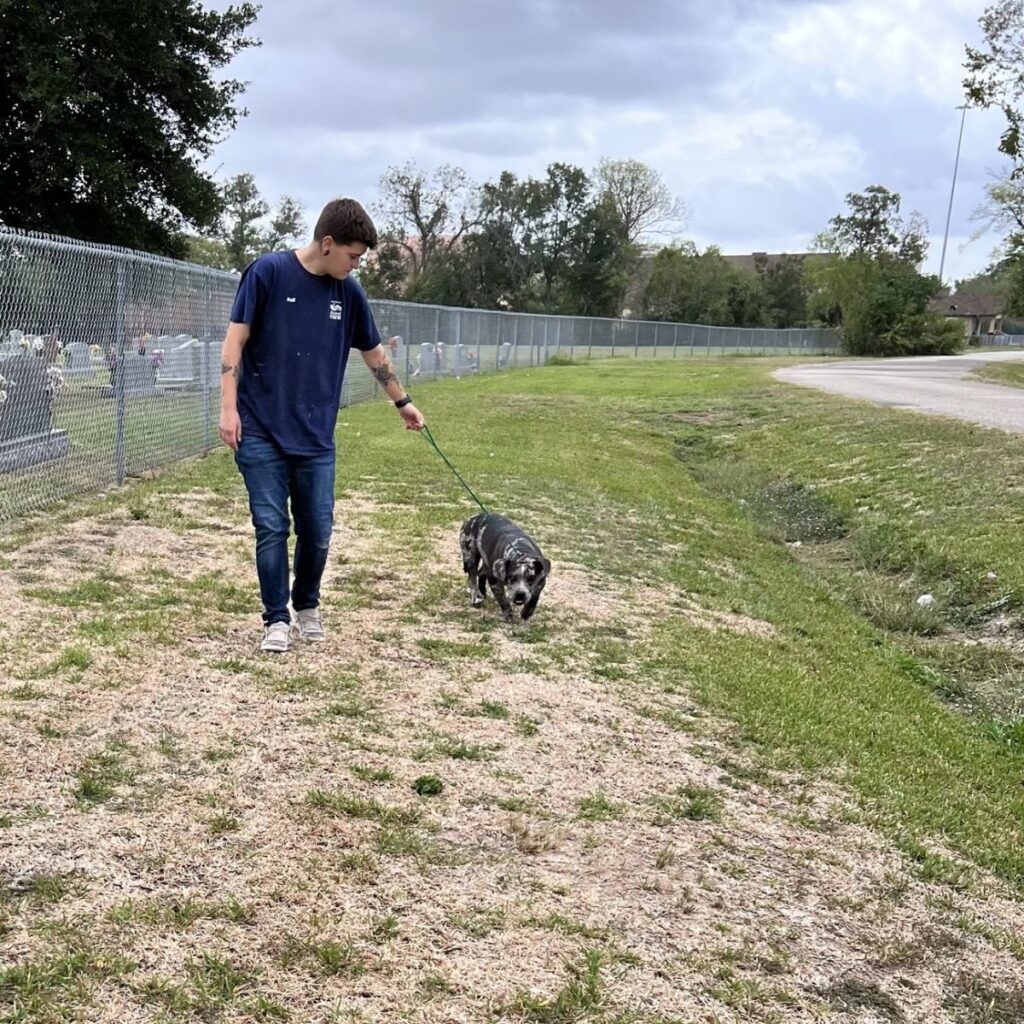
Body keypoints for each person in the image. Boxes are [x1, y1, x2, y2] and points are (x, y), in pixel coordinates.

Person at [219, 198, 424, 653]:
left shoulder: (348, 293)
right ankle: (275, 618)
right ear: (327, 243)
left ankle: (305, 604)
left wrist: (402, 403)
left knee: (318, 530)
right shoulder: (268, 273)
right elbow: (235, 341)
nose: (356, 266)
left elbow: (374, 354)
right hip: (260, 429)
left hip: (315, 437)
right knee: (271, 526)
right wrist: (228, 409)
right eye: (352, 256)